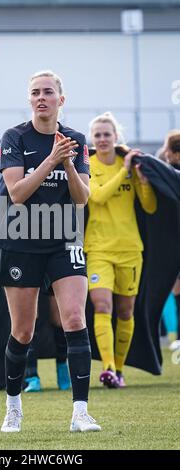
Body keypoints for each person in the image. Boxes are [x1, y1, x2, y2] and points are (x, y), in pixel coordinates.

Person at [0, 70, 101, 433]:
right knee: (23, 331)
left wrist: (69, 164)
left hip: (64, 238)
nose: (41, 98)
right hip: (21, 239)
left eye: (48, 92)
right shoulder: (14, 137)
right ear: (30, 100)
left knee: (75, 319)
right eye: (35, 93)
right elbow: (17, 193)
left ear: (61, 99)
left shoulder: (75, 139)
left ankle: (80, 412)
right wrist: (51, 159)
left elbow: (83, 197)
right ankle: (13, 406)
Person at [85, 112, 157, 389]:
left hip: (129, 249)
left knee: (126, 313)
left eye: (107, 134)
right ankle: (108, 369)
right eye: (98, 135)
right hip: (99, 249)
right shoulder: (87, 165)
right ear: (93, 138)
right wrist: (124, 172)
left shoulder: (129, 165)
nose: (102, 139)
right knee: (102, 306)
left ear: (116, 138)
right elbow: (99, 196)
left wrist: (142, 180)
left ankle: (120, 368)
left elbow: (149, 207)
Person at [24, 293, 71, 392]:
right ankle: (32, 377)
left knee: (58, 320)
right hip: (29, 278)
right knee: (31, 319)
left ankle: (62, 366)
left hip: (51, 278)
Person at [159, 130, 180, 351]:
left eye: (168, 150)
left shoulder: (168, 174)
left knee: (173, 289)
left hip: (172, 240)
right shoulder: (164, 170)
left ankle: (167, 334)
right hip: (172, 240)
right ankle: (166, 333)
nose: (165, 153)